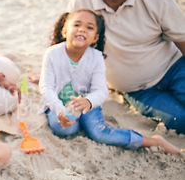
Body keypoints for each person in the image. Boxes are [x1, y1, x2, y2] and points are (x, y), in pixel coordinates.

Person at [67, 0, 185, 134]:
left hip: (173, 69)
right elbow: (69, 46)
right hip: (138, 90)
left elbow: (182, 41)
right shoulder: (82, 2)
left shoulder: (158, 0)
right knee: (179, 119)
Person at [39, 9, 180, 154]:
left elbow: (101, 90)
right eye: (76, 25)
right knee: (65, 129)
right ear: (64, 31)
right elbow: (46, 87)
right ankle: (88, 123)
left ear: (95, 38)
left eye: (89, 27)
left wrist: (88, 101)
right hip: (60, 104)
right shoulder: (52, 53)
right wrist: (59, 110)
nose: (82, 29)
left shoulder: (96, 58)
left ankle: (153, 141)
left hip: (88, 104)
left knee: (98, 133)